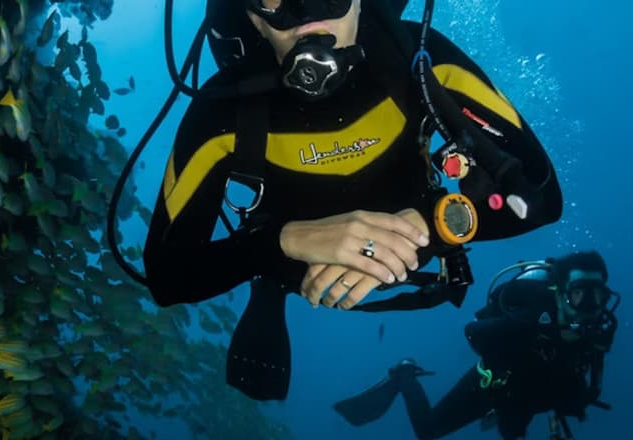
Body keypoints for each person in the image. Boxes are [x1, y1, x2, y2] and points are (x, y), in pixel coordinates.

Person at [140, 0, 564, 400]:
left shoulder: (419, 59)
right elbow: (167, 275)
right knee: (271, 273)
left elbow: (540, 195)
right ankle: (270, 285)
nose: (306, 11)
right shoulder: (222, 113)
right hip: (289, 264)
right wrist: (278, 243)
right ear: (252, 17)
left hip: (415, 229)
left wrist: (431, 225)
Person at [333, 251, 618, 439]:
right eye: (581, 294)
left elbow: (586, 380)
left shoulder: (597, 332)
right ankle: (404, 375)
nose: (591, 306)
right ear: (560, 293)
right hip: (493, 387)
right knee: (428, 431)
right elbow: (473, 332)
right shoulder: (529, 313)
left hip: (534, 397)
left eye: (599, 296)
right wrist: (524, 330)